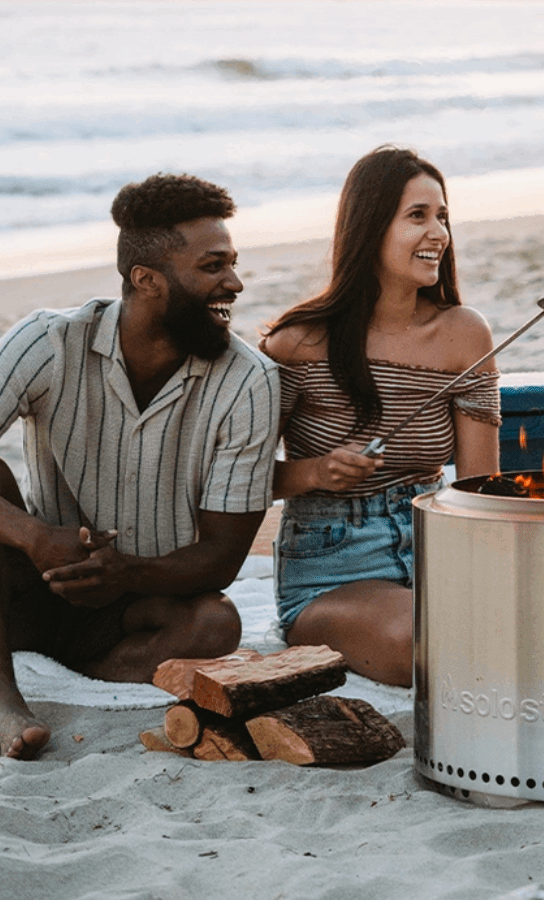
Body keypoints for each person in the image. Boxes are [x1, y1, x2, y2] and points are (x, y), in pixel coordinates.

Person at [0, 174, 280, 759]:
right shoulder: (47, 341)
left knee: (216, 626)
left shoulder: (250, 380)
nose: (235, 282)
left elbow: (224, 555)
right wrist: (36, 537)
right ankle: (4, 698)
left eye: (232, 263)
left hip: (142, 604)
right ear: (146, 280)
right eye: (212, 267)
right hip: (30, 582)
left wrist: (124, 574)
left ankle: (85, 670)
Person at [260, 146, 499, 688]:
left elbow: (482, 487)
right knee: (432, 638)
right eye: (417, 216)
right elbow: (236, 482)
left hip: (439, 551)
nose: (438, 232)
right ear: (370, 228)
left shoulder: (465, 335)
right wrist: (316, 472)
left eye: (443, 217)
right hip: (333, 570)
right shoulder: (298, 343)